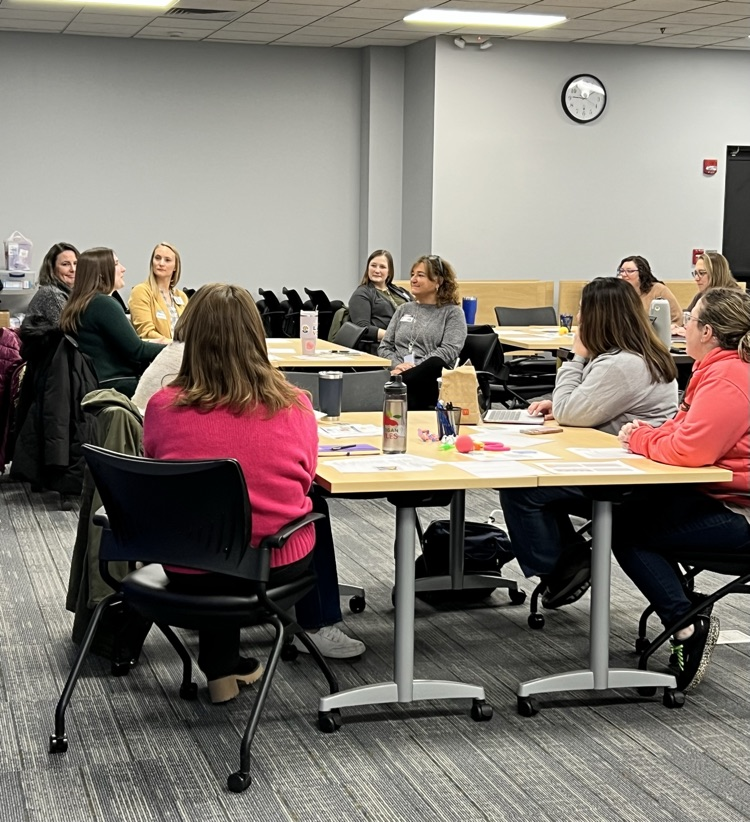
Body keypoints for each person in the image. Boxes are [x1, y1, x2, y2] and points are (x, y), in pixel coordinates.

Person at [143, 283, 365, 704]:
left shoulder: (161, 407)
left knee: (210, 522)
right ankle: (313, 627)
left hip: (186, 563)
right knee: (298, 508)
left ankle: (222, 671)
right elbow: (303, 478)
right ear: (256, 337)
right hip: (272, 568)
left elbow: (157, 472)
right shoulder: (295, 405)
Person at [499, 277, 679, 610]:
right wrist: (562, 403)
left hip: (630, 481)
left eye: (583, 310)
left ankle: (563, 567)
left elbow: (570, 413)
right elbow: (584, 405)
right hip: (628, 465)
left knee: (522, 489)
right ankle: (569, 561)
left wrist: (574, 358)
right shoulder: (632, 354)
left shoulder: (623, 364)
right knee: (535, 484)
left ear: (599, 316)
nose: (578, 316)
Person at [614, 287, 750, 692]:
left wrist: (639, 440)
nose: (681, 327)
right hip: (720, 498)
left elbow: (690, 451)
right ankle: (684, 611)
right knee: (632, 511)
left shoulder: (730, 379)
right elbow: (682, 430)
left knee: (628, 531)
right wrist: (649, 433)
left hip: (741, 514)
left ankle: (686, 626)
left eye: (687, 320)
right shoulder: (716, 370)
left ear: (706, 331)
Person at [60, 248, 164, 398]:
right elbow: (137, 351)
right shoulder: (103, 304)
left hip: (97, 384)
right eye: (116, 264)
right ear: (102, 273)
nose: (123, 269)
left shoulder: (81, 303)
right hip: (118, 387)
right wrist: (179, 348)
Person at [378, 255, 466, 410]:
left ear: (438, 281)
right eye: (412, 275)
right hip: (398, 373)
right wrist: (397, 366)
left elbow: (449, 351)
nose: (413, 279)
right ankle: (396, 384)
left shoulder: (452, 313)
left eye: (420, 275)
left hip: (429, 379)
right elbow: (384, 346)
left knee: (435, 363)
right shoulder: (404, 309)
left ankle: (393, 386)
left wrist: (413, 368)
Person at [348, 249, 411, 346]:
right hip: (383, 346)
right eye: (373, 265)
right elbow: (362, 328)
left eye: (382, 267)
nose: (377, 270)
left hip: (411, 342)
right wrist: (395, 336)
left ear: (389, 271)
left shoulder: (401, 291)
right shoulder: (361, 294)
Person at [128, 242, 188, 342]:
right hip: (157, 353)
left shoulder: (181, 296)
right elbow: (146, 333)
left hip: (181, 352)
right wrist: (174, 346)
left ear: (175, 267)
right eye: (157, 258)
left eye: (167, 260)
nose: (161, 263)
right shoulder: (141, 291)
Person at [672, 252, 740, 336]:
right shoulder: (701, 296)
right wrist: (677, 327)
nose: (696, 278)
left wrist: (692, 333)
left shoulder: (732, 300)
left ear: (716, 274)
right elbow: (688, 317)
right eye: (695, 273)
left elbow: (722, 333)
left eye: (702, 273)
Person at [25, 242, 79, 327]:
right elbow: (69, 330)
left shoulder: (70, 292)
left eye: (76, 263)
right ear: (52, 268)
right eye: (65, 264)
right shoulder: (52, 294)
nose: (73, 269)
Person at [617, 255, 682, 325]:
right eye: (621, 271)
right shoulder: (618, 292)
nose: (623, 274)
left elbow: (677, 317)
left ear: (642, 273)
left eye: (629, 271)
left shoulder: (658, 290)